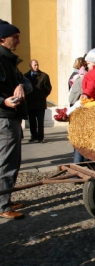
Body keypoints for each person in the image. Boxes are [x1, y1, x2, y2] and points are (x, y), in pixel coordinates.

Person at [0, 19, 32, 219]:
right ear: (2, 39)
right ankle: (3, 206)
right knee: (7, 163)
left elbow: (26, 84)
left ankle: (5, 199)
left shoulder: (9, 60)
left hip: (11, 118)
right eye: (15, 38)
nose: (19, 41)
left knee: (11, 161)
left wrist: (22, 86)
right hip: (4, 118)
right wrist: (4, 102)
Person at [24, 59, 52, 143]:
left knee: (40, 121)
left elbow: (48, 88)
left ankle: (40, 137)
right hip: (30, 102)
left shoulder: (44, 76)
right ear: (30, 66)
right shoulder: (26, 76)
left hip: (40, 102)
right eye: (34, 65)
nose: (36, 66)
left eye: (37, 65)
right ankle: (33, 136)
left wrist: (43, 95)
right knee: (32, 121)